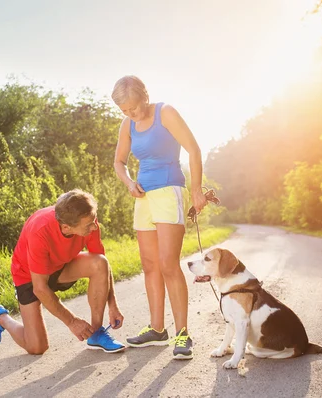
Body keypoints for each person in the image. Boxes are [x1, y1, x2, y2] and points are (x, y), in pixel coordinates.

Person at [112, 76, 207, 360]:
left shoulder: (166, 112)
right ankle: (157, 329)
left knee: (168, 264)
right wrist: (129, 183)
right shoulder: (127, 124)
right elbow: (119, 161)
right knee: (150, 264)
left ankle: (182, 334)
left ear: (144, 96)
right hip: (143, 198)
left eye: (133, 108)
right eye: (124, 110)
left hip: (169, 191)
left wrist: (197, 189)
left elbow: (194, 149)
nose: (130, 114)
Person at [0, 189, 125, 354]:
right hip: (29, 276)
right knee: (37, 347)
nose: (94, 226)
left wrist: (113, 305)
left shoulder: (88, 220)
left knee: (99, 263)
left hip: (60, 267)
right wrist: (72, 321)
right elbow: (40, 288)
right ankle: (1, 318)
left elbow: (104, 267)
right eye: (88, 225)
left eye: (93, 220)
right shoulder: (40, 231)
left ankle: (96, 334)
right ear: (66, 227)